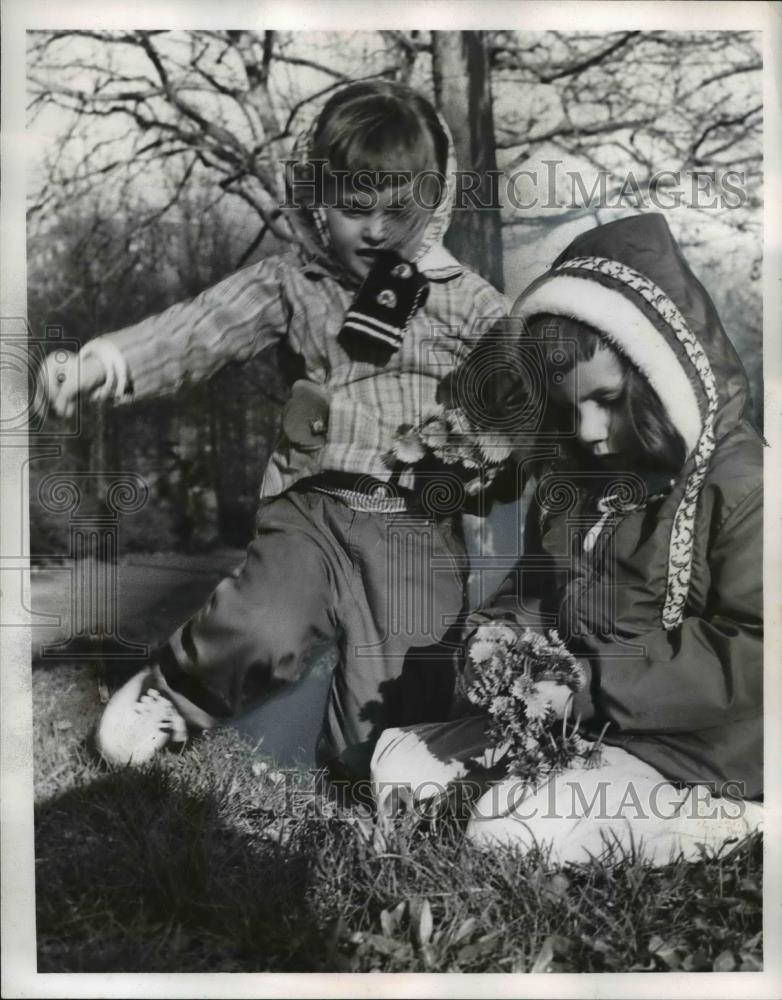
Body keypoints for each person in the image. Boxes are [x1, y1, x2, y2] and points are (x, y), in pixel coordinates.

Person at [39, 80, 508, 775]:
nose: (376, 230)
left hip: (416, 520)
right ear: (319, 202)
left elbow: (523, 360)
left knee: (400, 690)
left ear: (433, 202)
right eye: (354, 210)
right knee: (267, 622)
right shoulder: (295, 282)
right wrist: (103, 364)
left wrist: (489, 427)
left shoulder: (462, 296)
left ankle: (377, 779)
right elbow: (201, 327)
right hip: (313, 504)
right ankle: (175, 690)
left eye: (396, 211)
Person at [370, 213, 763, 864]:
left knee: (511, 828)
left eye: (607, 399)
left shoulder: (745, 488)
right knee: (398, 762)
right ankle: (540, 796)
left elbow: (757, 654)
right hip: (585, 723)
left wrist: (590, 679)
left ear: (662, 378)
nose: (587, 428)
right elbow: (539, 589)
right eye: (571, 403)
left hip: (704, 750)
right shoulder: (583, 482)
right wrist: (499, 636)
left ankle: (740, 823)